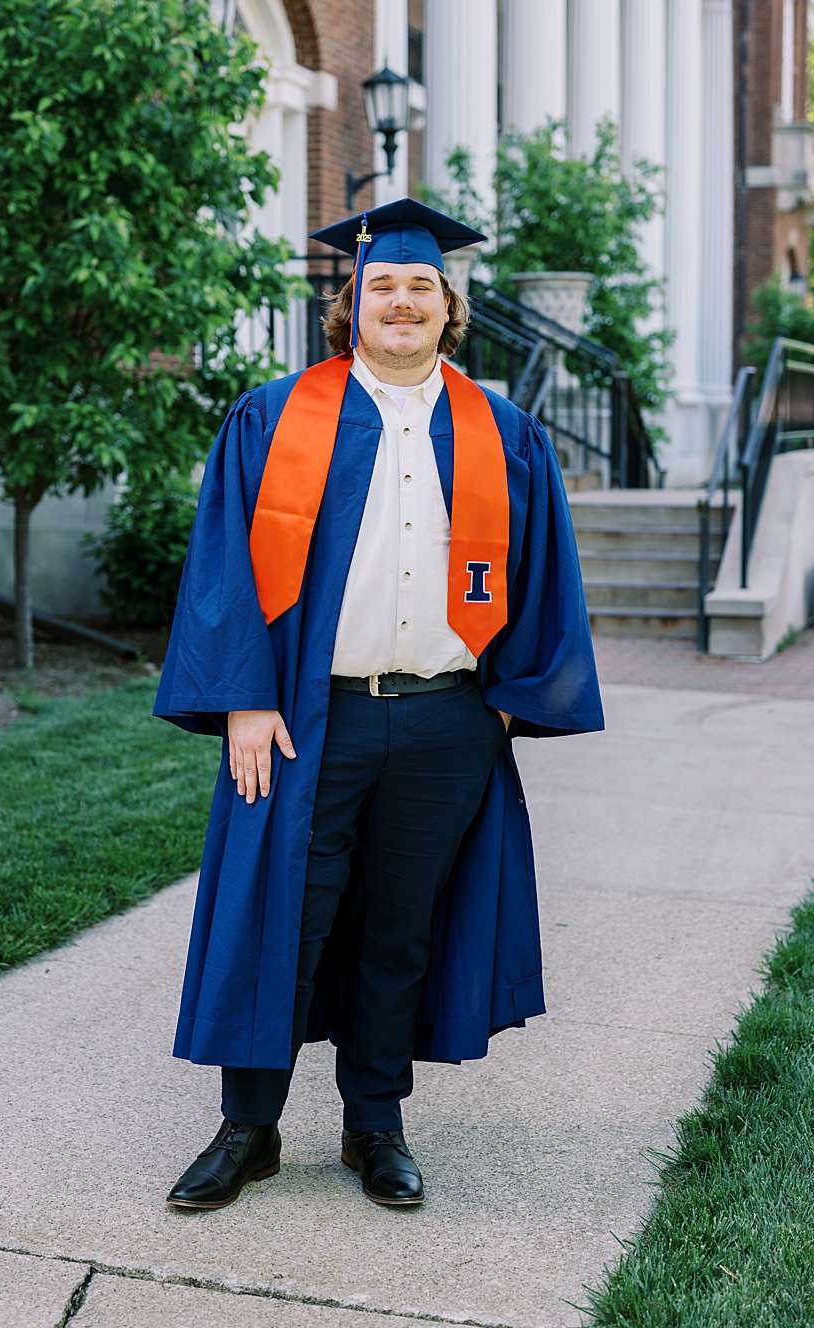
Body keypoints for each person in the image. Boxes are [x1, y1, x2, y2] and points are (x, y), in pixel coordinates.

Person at [154, 198, 601, 1211]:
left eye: (420, 288)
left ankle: (374, 1126)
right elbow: (222, 570)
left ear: (450, 309)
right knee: (285, 918)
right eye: (381, 286)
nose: (400, 302)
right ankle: (248, 1129)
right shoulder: (274, 418)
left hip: (446, 719)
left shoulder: (505, 433)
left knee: (402, 924)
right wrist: (241, 702)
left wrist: (499, 709)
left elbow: (544, 579)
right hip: (308, 721)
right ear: (348, 303)